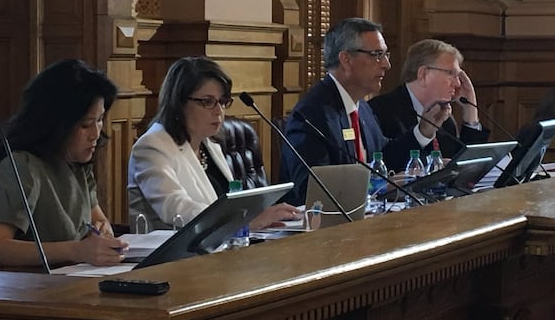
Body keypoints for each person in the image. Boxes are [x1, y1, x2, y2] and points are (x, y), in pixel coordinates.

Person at [0, 59, 127, 270]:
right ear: (57, 123)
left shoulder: (77, 162)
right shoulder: (22, 166)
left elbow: (99, 222)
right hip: (31, 293)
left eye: (100, 119)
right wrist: (76, 250)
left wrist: (103, 233)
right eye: (85, 124)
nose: (95, 134)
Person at [127, 56, 299, 231]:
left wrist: (258, 216)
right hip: (170, 255)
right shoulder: (152, 146)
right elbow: (177, 209)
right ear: (178, 103)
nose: (219, 111)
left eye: (222, 102)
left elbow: (229, 207)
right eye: (208, 102)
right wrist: (245, 223)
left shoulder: (209, 144)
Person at [280, 17, 418, 206]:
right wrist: (377, 186)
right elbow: (312, 188)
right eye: (377, 54)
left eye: (386, 54)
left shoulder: (362, 108)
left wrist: (423, 131)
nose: (386, 64)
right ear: (345, 59)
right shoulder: (311, 115)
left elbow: (383, 157)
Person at [368, 38, 490, 159]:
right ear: (423, 74)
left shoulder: (445, 119)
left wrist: (471, 112)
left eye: (458, 76)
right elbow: (387, 162)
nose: (458, 84)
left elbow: (468, 166)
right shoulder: (379, 112)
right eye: (451, 73)